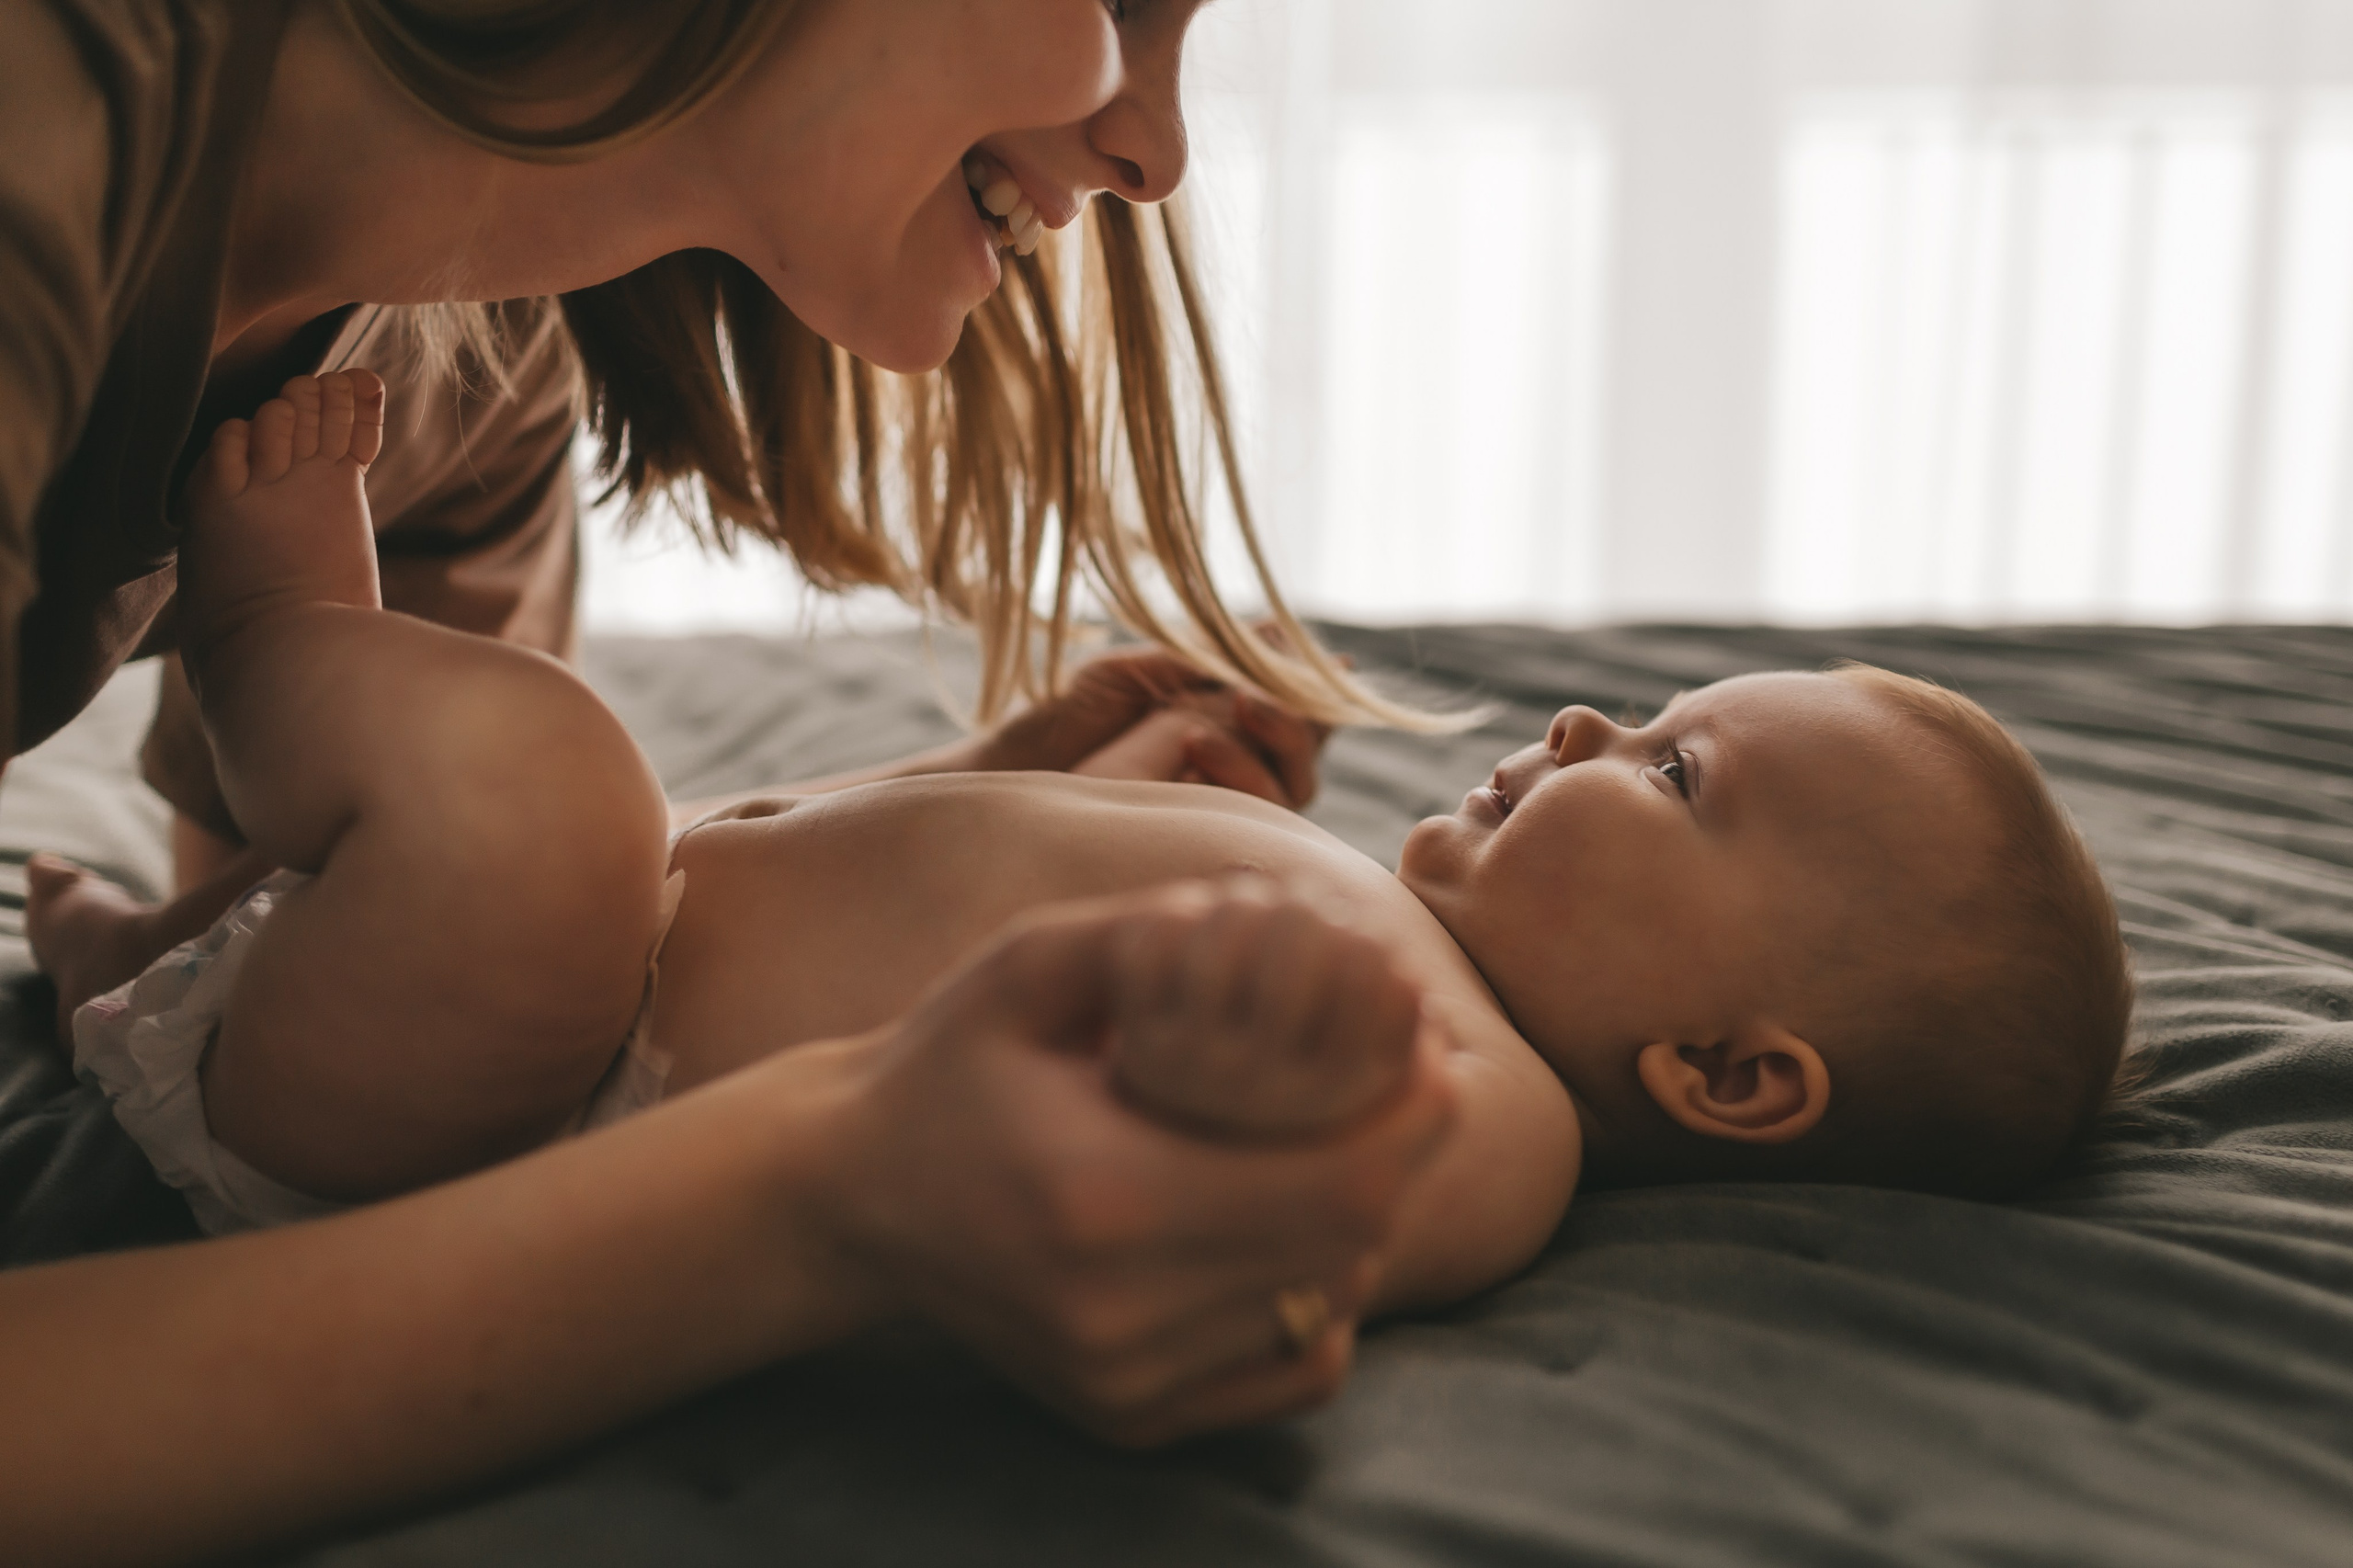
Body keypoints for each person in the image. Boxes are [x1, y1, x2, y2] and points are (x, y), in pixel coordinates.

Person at [1, 3, 1460, 1562]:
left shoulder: (461, 370)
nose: (1156, 155)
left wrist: (959, 801)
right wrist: (823, 1191)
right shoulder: (44, 135)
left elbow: (343, 959)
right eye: (1118, 5)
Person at [38, 370, 2133, 1302]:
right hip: (467, 1007)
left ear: (1730, 1075)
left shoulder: (1489, 1124)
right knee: (598, 830)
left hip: (485, 1123)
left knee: (553, 798)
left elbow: (1232, 1208)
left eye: (1672, 774)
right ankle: (155, 953)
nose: (1590, 720)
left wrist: (1226, 1078)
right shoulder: (1387, 932)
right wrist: (1036, 765)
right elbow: (867, 888)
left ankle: (270, 634)